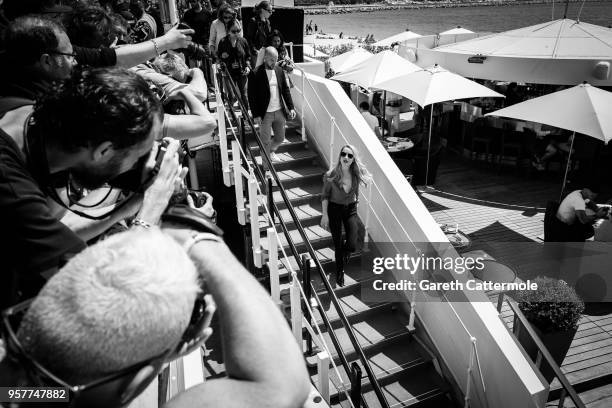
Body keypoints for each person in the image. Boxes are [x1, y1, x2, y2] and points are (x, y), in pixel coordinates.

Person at [0, 225, 311, 408]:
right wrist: (201, 241)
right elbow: (280, 387)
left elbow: (37, 393)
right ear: (137, 379)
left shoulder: (14, 389)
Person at [0, 67, 186, 309]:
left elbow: (57, 230)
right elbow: (106, 292)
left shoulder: (20, 112)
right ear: (103, 151)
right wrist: (152, 208)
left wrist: (131, 205)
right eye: (138, 155)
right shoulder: (12, 190)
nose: (137, 165)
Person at [320, 145, 368, 286]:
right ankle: (339, 272)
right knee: (337, 242)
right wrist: (325, 215)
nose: (346, 157)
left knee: (352, 243)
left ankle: (346, 252)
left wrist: (356, 203)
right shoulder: (331, 175)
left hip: (350, 209)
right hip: (334, 209)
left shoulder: (355, 174)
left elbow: (356, 191)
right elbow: (325, 196)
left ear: (353, 159)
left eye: (350, 155)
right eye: (344, 154)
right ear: (340, 156)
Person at [248, 47, 296, 165]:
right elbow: (251, 97)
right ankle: (266, 168)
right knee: (265, 142)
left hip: (279, 111)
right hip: (265, 114)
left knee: (280, 138)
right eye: (271, 59)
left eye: (275, 59)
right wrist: (256, 115)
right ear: (264, 58)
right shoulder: (255, 73)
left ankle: (271, 152)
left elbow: (285, 90)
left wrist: (291, 107)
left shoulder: (279, 70)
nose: (273, 62)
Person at [217, 18, 250, 110]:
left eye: (238, 31)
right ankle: (232, 116)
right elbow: (218, 55)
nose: (236, 33)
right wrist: (222, 56)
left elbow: (248, 56)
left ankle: (246, 117)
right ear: (228, 31)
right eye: (234, 31)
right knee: (231, 95)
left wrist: (247, 66)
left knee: (244, 95)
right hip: (228, 72)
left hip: (242, 71)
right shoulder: (223, 42)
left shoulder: (243, 41)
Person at [245, 0, 272, 68]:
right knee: (256, 73)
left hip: (265, 52)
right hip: (256, 53)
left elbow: (268, 36)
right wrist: (255, 51)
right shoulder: (253, 21)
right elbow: (249, 38)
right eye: (269, 11)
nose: (271, 13)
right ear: (262, 10)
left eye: (272, 11)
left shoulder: (267, 22)